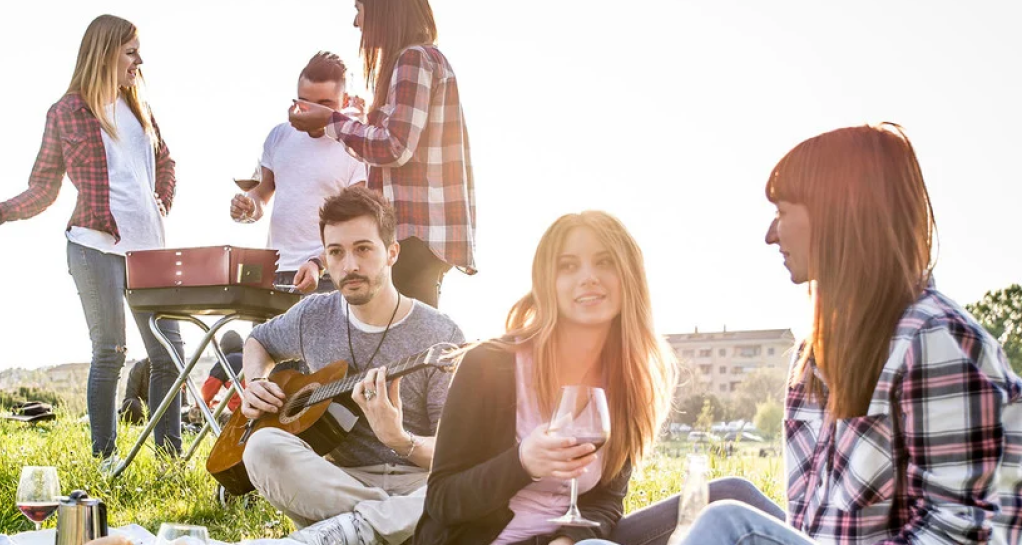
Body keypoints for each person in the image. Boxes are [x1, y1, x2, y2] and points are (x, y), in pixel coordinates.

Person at [587, 124, 1022, 545]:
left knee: (730, 523)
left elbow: (962, 532)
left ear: (838, 214)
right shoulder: (817, 352)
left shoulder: (935, 340)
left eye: (782, 213)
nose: (770, 235)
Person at [0, 14, 186, 459]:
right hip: (94, 245)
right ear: (106, 53)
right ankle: (106, 461)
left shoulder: (139, 105)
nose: (139, 61)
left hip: (150, 250)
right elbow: (44, 187)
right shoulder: (66, 112)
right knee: (110, 352)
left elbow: (167, 163)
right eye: (131, 52)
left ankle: (169, 461)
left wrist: (160, 201)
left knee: (169, 356)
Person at [414, 212, 680, 545]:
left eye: (605, 262)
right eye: (568, 266)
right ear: (547, 282)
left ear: (630, 276)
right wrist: (523, 461)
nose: (588, 278)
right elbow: (442, 500)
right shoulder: (490, 366)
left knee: (729, 495)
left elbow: (606, 501)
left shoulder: (627, 380)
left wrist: (568, 539)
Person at [239, 186, 466, 545]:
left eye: (363, 249)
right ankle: (389, 529)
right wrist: (255, 381)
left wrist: (400, 439)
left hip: (416, 481)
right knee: (261, 448)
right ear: (325, 259)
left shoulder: (440, 333)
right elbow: (258, 341)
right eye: (336, 252)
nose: (350, 266)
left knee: (465, 489)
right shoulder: (313, 314)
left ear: (391, 253)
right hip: (339, 481)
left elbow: (456, 454)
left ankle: (347, 532)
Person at [287, 0, 476, 308]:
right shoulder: (421, 60)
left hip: (413, 232)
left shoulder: (413, 59)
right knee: (410, 338)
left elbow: (395, 146)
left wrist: (329, 121)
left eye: (359, 9)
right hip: (419, 234)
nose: (356, 23)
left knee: (409, 343)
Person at [230, 51, 367, 294]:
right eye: (305, 102)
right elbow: (262, 194)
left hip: (328, 277)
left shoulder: (356, 147)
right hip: (275, 274)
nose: (312, 112)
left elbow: (355, 227)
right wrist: (249, 206)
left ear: (344, 100)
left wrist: (319, 264)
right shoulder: (279, 136)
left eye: (325, 105)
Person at [200, 330, 246, 418]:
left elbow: (207, 392)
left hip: (241, 412)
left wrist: (198, 407)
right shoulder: (253, 358)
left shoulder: (224, 363)